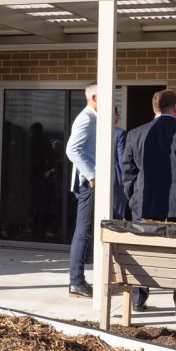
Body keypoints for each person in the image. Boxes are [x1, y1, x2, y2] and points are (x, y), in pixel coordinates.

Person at [120, 89, 176, 317]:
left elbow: (127, 172)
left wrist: (134, 198)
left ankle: (139, 300)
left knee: (143, 252)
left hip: (145, 205)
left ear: (154, 109)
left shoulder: (135, 134)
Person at [65, 83, 98, 298]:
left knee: (87, 231)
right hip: (88, 184)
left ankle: (79, 279)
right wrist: (92, 175)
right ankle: (76, 282)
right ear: (95, 97)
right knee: (83, 231)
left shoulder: (94, 117)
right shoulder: (86, 118)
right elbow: (72, 149)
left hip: (91, 183)